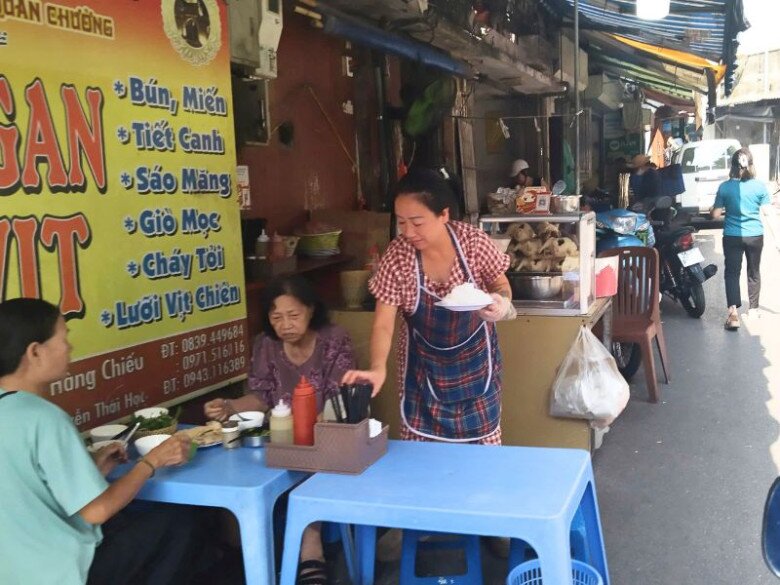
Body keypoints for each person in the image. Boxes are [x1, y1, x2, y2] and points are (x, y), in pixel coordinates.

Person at [0, 298, 195, 585]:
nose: (69, 348)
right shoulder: (45, 419)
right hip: (61, 573)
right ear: (35, 352)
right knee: (182, 522)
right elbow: (97, 511)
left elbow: (29, 489)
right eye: (64, 339)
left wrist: (92, 467)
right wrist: (152, 461)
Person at [342, 169, 515, 445]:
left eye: (417, 222)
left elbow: (501, 285)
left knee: (482, 467)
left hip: (476, 368)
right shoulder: (397, 257)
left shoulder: (473, 244)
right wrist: (377, 368)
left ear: (443, 215)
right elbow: (383, 324)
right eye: (401, 223)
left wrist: (502, 304)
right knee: (423, 466)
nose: (408, 232)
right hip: (422, 374)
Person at [204, 274, 355, 584]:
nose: (285, 324)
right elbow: (260, 396)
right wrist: (229, 407)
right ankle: (251, 551)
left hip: (328, 434)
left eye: (293, 315)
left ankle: (310, 550)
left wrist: (317, 430)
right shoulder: (266, 345)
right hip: (281, 435)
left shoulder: (333, 339)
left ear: (311, 310)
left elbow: (339, 397)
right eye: (277, 317)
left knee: (314, 464)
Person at [711, 148, 774, 330]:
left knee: (732, 272)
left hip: (732, 236)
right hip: (755, 236)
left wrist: (714, 209)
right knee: (753, 272)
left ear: (732, 165)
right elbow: (768, 211)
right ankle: (753, 310)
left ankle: (733, 314)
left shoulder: (725, 187)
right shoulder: (759, 186)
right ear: (751, 164)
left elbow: (715, 215)